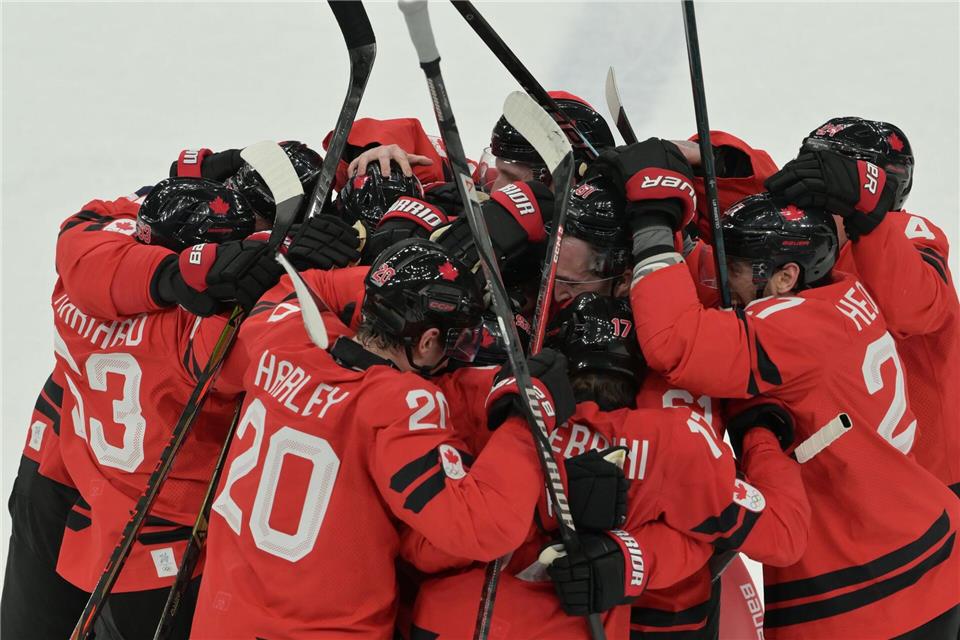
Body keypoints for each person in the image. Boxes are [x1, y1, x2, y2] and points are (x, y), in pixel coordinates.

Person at [598, 136, 960, 638]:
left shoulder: (790, 328)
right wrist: (718, 162)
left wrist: (654, 225)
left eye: (737, 271)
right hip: (923, 542)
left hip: (867, 586)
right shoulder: (838, 285)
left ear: (785, 277)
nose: (723, 281)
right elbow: (764, 235)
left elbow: (674, 343)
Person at [191, 239, 583, 638]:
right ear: (428, 342)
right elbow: (482, 527)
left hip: (222, 618)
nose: (455, 355)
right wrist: (526, 416)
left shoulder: (280, 338)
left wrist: (392, 283)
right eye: (455, 342)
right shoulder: (401, 405)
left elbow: (303, 286)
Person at [411, 293, 809, 639]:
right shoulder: (676, 442)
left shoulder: (480, 400)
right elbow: (783, 533)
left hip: (450, 618)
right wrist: (761, 430)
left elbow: (423, 548)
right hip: (591, 623)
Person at [766, 117, 960, 497]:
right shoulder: (819, 241)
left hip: (937, 479)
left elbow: (915, 306)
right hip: (861, 478)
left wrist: (867, 218)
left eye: (829, 176)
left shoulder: (908, 233)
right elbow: (766, 196)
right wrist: (725, 164)